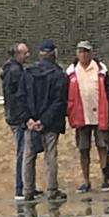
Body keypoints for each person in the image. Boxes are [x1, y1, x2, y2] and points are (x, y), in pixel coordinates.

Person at [65, 40, 109, 192]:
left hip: (100, 116)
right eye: (80, 51)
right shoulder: (71, 71)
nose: (83, 54)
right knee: (83, 149)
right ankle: (86, 181)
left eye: (86, 51)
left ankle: (105, 178)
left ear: (91, 53)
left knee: (102, 147)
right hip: (81, 116)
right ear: (77, 53)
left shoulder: (101, 69)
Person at [23, 40, 69, 201]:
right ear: (54, 54)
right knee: (51, 156)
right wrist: (44, 121)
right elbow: (59, 101)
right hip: (50, 123)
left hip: (30, 122)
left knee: (29, 155)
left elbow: (21, 98)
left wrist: (28, 119)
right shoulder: (58, 75)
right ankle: (52, 190)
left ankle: (28, 190)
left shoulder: (28, 73)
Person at [1, 42, 33, 200]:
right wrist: (25, 116)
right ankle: (21, 188)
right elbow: (19, 96)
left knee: (24, 151)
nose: (28, 55)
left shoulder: (10, 70)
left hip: (13, 116)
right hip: (17, 118)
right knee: (23, 152)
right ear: (17, 55)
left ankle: (27, 185)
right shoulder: (16, 72)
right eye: (25, 53)